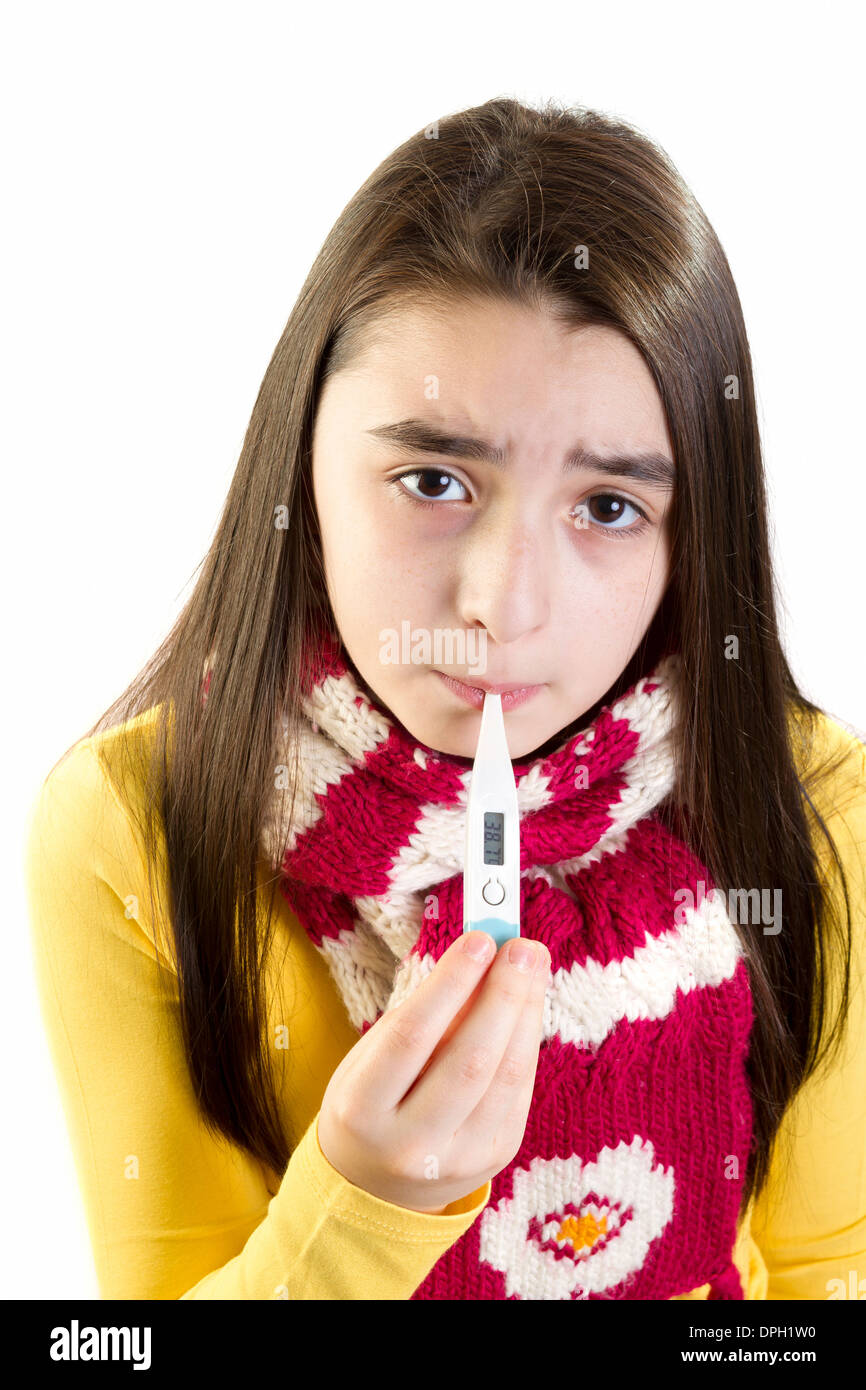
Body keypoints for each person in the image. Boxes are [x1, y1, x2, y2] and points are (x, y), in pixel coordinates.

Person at [24, 96, 865, 1300]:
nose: (501, 605)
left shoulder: (816, 806)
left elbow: (828, 1274)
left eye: (608, 507)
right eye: (431, 478)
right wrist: (364, 1202)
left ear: (696, 534)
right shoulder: (135, 824)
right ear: (298, 454)